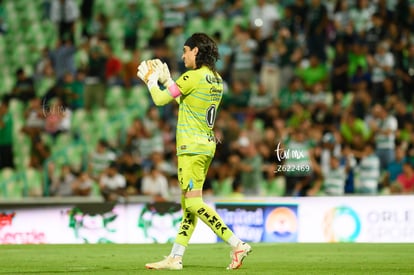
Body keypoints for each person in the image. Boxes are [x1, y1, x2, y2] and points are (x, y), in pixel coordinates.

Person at [137, 33, 251, 270]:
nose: (183, 55)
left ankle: (237, 243)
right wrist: (169, 82)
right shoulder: (216, 79)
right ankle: (175, 258)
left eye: (186, 50)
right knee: (189, 203)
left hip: (190, 148)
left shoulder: (191, 76)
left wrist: (151, 81)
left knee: (192, 204)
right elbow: (187, 105)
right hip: (206, 146)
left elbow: (159, 101)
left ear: (196, 51)